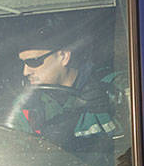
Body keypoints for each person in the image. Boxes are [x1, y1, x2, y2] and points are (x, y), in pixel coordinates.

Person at [13, 26, 127, 156]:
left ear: (63, 56)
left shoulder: (115, 86)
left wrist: (117, 106)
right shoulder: (27, 106)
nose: (25, 72)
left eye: (33, 61)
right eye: (22, 64)